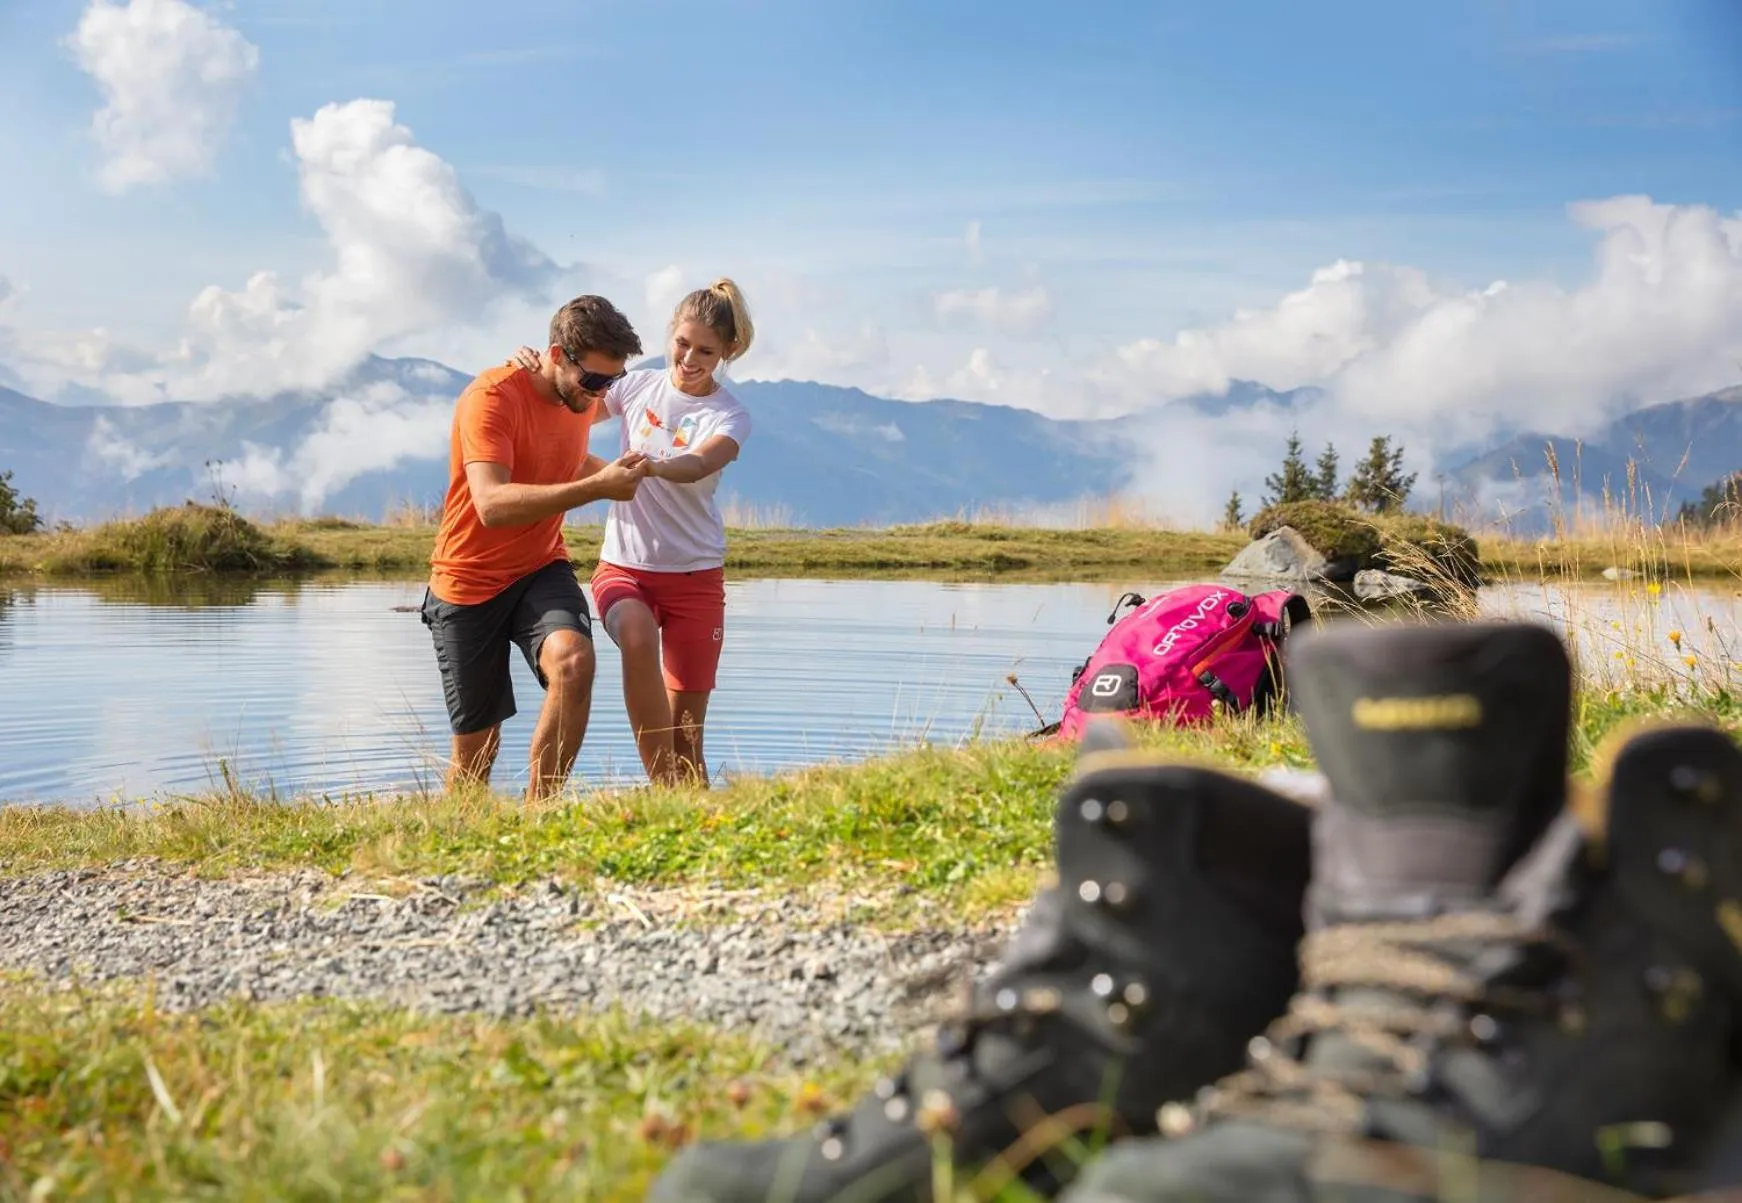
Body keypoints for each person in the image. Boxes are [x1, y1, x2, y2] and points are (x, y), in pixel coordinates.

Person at [512, 278, 755, 787]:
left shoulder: (729, 415)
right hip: (624, 569)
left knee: (687, 735)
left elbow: (697, 464)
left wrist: (650, 467)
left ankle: (688, 810)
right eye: (682, 343)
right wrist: (533, 374)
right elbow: (569, 406)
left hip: (696, 578)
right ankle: (663, 790)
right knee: (638, 637)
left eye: (706, 351)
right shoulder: (636, 385)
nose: (689, 359)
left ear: (727, 352)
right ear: (671, 334)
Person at [422, 294, 650, 803]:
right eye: (594, 380)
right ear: (557, 355)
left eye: (612, 381)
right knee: (475, 757)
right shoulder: (491, 397)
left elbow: (563, 453)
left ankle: (538, 815)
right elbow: (491, 504)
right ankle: (461, 829)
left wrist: (640, 479)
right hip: (466, 582)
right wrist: (598, 488)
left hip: (540, 566)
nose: (601, 393)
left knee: (574, 662)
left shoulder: (580, 395)